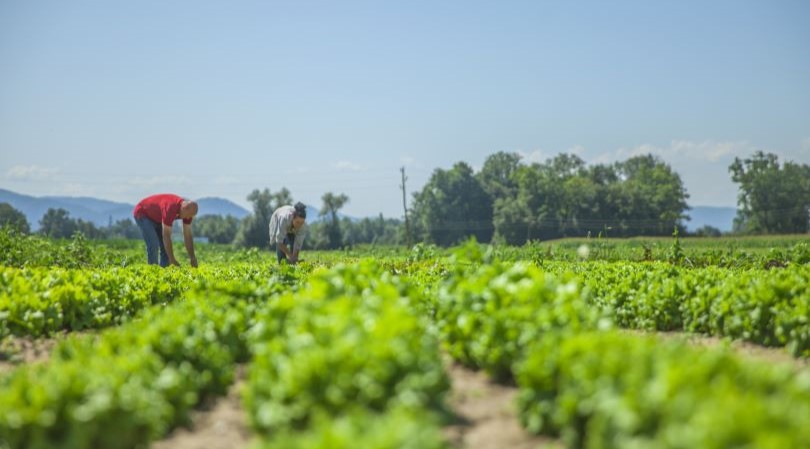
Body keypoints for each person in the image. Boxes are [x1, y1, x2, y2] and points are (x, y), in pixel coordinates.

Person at [133, 193, 199, 267]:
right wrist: (172, 259)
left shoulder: (188, 213)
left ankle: (163, 271)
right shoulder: (170, 208)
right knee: (153, 244)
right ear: (183, 208)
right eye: (187, 216)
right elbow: (166, 236)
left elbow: (187, 235)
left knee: (165, 248)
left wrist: (192, 257)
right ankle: (153, 270)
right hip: (143, 213)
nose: (187, 218)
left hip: (157, 218)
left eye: (190, 216)